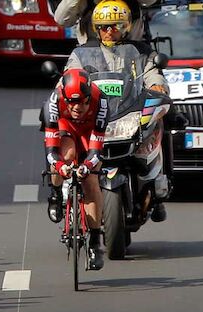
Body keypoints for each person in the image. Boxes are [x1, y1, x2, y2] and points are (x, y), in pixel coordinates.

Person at [41, 68, 108, 270]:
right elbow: (52, 152)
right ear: (64, 98)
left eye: (83, 102)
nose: (78, 107)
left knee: (91, 180)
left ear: (89, 97)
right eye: (72, 102)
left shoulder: (101, 102)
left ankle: (95, 242)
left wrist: (87, 167)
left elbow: (96, 149)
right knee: (67, 155)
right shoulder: (53, 103)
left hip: (90, 132)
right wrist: (61, 167)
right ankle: (55, 195)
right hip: (65, 127)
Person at [64, 0, 169, 95]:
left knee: (169, 113)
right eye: (104, 27)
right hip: (93, 109)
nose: (109, 32)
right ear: (96, 28)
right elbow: (68, 79)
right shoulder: (81, 54)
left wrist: (156, 85)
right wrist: (66, 87)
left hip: (133, 111)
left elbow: (153, 74)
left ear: (125, 27)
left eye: (116, 26)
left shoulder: (143, 52)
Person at [54, 0, 156, 45]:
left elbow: (150, 1)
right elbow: (61, 20)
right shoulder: (86, 2)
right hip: (92, 55)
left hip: (130, 53)